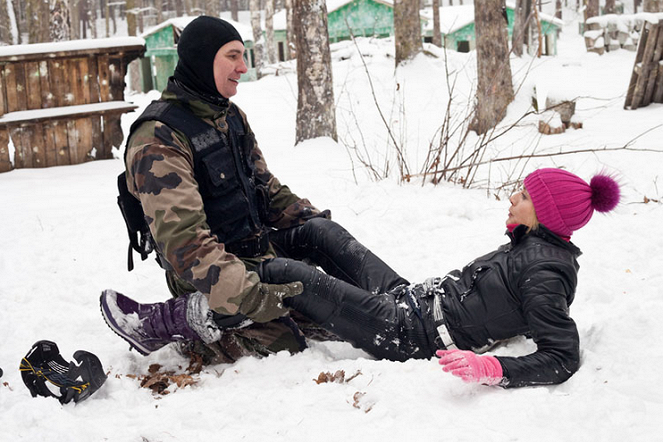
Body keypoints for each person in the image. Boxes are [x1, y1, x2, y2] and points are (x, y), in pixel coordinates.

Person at [103, 167, 620, 388]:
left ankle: (164, 320)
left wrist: (493, 370)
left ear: (547, 214)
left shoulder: (544, 273)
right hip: (415, 301)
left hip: (408, 333)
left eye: (524, 196)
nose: (513, 198)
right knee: (325, 234)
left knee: (292, 276)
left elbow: (561, 356)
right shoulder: (537, 247)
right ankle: (241, 274)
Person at [102, 15, 341, 363]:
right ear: (202, 59)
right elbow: (184, 242)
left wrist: (314, 225)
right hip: (203, 274)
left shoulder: (230, 117)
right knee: (286, 346)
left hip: (256, 256)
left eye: (243, 56)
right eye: (232, 56)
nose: (243, 67)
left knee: (331, 315)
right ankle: (186, 318)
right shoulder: (158, 137)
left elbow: (266, 189)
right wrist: (248, 295)